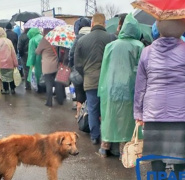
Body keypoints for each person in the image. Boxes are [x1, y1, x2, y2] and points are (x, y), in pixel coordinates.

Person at [134, 19, 185, 179]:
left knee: (155, 159)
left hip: (153, 113)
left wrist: (138, 113)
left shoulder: (147, 52)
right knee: (180, 159)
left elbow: (140, 86)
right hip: (181, 115)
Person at [97, 13, 144, 158]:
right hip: (129, 89)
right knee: (126, 120)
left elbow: (104, 69)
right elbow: (141, 71)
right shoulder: (138, 46)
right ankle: (124, 151)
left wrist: (102, 89)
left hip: (110, 88)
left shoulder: (110, 46)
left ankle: (105, 147)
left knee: (109, 117)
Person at [74, 13, 116, 145]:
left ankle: (94, 136)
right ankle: (107, 136)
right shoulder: (112, 38)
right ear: (105, 24)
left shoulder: (82, 41)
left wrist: (85, 73)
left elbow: (77, 64)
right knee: (107, 109)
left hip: (90, 80)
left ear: (92, 24)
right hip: (108, 81)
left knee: (92, 109)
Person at [69, 17, 91, 118]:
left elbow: (71, 53)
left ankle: (79, 114)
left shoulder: (78, 38)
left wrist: (71, 66)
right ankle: (89, 113)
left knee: (79, 91)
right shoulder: (93, 36)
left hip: (79, 70)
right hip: (92, 71)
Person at [36, 28, 60, 107]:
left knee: (49, 83)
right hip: (55, 64)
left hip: (47, 65)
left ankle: (49, 102)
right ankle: (60, 99)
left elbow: (37, 51)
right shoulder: (55, 39)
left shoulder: (44, 40)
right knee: (56, 82)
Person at [0, 27, 18, 94]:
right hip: (10, 62)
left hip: (0, 63)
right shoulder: (8, 41)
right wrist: (15, 63)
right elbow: (13, 53)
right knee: (11, 76)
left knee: (3, 77)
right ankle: (12, 89)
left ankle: (6, 89)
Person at [26, 28, 43, 92]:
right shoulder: (42, 37)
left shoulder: (32, 40)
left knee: (36, 74)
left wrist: (30, 63)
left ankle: (39, 88)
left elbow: (32, 53)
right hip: (44, 58)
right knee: (43, 73)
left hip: (36, 60)